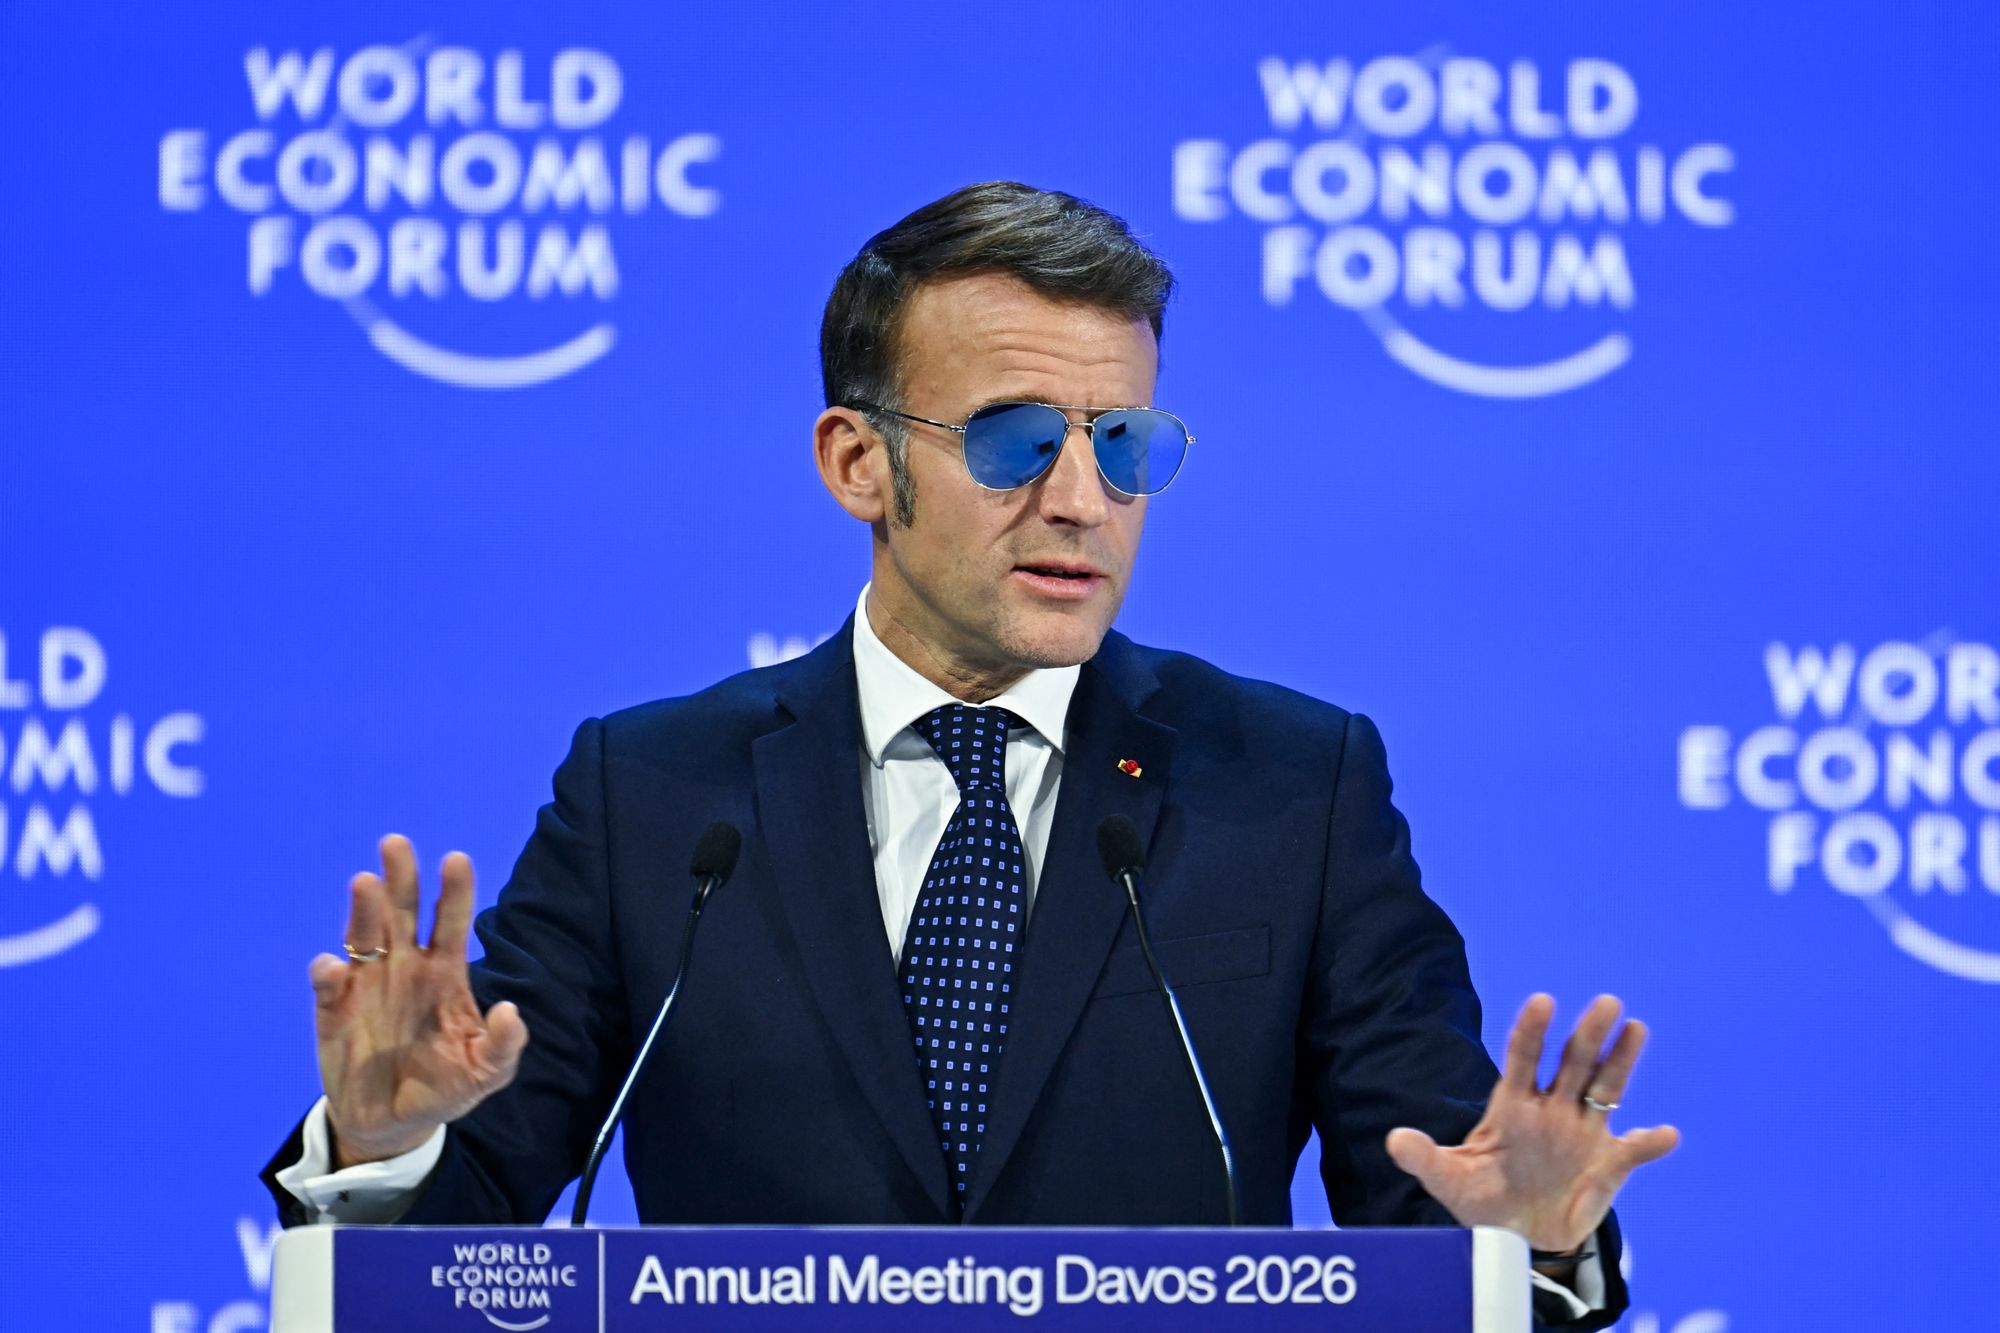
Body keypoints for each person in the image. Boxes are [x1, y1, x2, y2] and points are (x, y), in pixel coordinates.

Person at [261, 182, 1676, 1331]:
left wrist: (1525, 1246)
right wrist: (388, 1151)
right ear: (856, 463)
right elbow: (460, 1258)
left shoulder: (1295, 786)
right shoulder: (657, 795)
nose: (1082, 498)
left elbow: (1436, 1215)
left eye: (1125, 443)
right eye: (1014, 439)